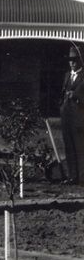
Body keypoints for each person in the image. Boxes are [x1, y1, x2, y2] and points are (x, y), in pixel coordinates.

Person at [60, 45, 84, 185]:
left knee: (79, 147)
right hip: (66, 117)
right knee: (69, 147)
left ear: (80, 60)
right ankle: (72, 176)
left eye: (75, 59)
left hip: (79, 118)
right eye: (70, 60)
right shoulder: (67, 75)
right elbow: (63, 93)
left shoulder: (83, 76)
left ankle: (81, 177)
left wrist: (75, 96)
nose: (72, 62)